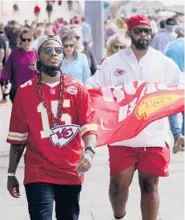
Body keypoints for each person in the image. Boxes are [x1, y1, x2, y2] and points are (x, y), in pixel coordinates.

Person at [86, 15, 184, 220]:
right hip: (122, 138)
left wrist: (177, 131)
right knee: (119, 187)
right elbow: (91, 87)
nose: (143, 35)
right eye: (138, 30)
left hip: (154, 137)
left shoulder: (163, 62)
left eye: (146, 31)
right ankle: (119, 216)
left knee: (150, 186)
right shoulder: (113, 63)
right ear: (129, 32)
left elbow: (180, 89)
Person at [6, 34, 97, 220]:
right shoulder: (24, 92)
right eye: (48, 50)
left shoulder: (78, 89)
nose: (54, 54)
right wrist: (10, 173)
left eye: (58, 50)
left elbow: (88, 125)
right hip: (38, 171)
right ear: (38, 56)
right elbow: (18, 140)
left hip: (71, 169)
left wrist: (89, 152)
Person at [1, 29, 37, 102]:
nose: (26, 42)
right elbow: (7, 69)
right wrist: (3, 82)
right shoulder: (15, 54)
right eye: (24, 40)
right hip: (17, 91)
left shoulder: (38, 54)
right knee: (18, 113)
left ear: (33, 40)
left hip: (33, 91)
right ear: (21, 40)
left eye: (29, 39)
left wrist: (38, 68)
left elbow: (47, 71)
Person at [165, 25, 185, 153]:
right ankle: (183, 135)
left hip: (171, 81)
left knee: (172, 109)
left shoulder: (169, 46)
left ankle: (177, 134)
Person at [0, 23, 10, 103]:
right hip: (6, 61)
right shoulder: (6, 38)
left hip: (2, 62)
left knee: (1, 80)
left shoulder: (0, 38)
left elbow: (2, 51)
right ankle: (5, 96)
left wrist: (0, 61)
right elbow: (8, 50)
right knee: (4, 80)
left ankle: (4, 97)